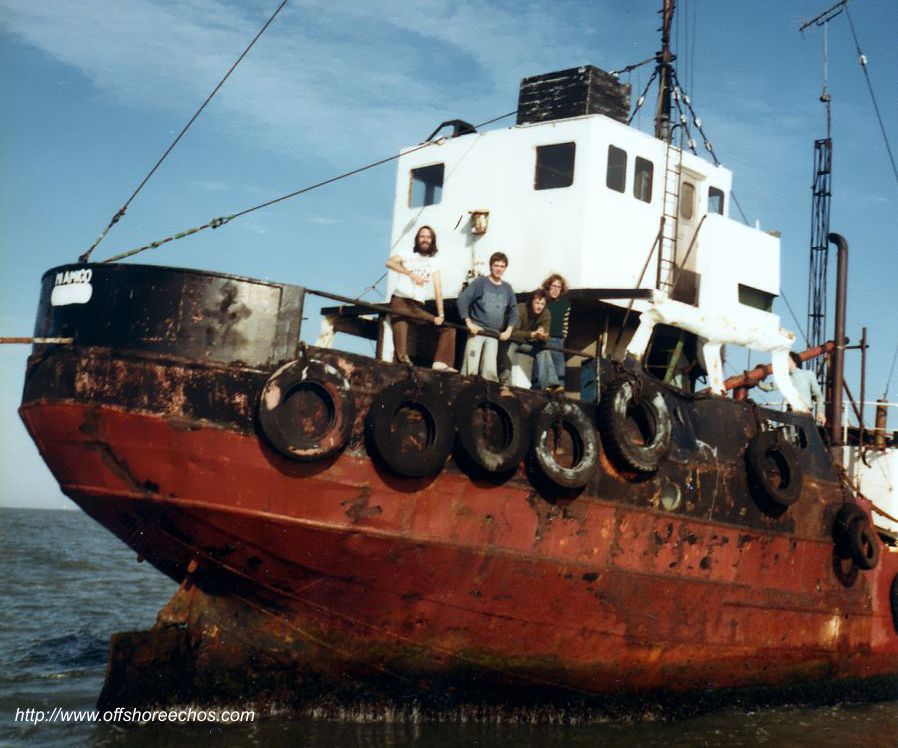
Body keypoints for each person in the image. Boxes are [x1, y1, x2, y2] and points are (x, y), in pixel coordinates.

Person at [385, 226, 457, 371]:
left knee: (447, 328)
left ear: (432, 241)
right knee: (401, 354)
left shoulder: (434, 262)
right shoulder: (406, 254)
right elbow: (390, 262)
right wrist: (410, 274)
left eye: (428, 237)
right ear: (417, 239)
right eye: (422, 236)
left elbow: (438, 289)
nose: (425, 239)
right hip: (400, 302)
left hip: (416, 307)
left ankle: (440, 362)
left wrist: (441, 314)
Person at [457, 252, 518, 382]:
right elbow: (462, 299)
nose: (499, 269)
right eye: (496, 265)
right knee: (470, 370)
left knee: (490, 373)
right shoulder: (481, 283)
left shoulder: (507, 288)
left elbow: (514, 310)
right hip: (477, 331)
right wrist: (468, 322)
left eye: (502, 266)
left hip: (494, 335)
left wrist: (508, 330)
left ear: (505, 268)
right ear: (491, 266)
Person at [500, 289, 562, 392]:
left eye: (542, 304)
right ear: (531, 302)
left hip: (528, 342)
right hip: (512, 340)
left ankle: (550, 385)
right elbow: (512, 333)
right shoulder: (520, 309)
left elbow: (544, 338)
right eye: (537, 303)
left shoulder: (546, 314)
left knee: (544, 351)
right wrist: (532, 334)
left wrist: (543, 337)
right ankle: (505, 383)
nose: (539, 306)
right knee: (508, 350)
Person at [541, 273, 571, 393]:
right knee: (545, 368)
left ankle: (560, 398)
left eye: (558, 287)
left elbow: (565, 323)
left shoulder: (565, 303)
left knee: (559, 370)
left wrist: (563, 336)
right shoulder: (543, 302)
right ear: (548, 287)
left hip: (558, 340)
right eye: (553, 286)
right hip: (545, 338)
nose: (555, 289)